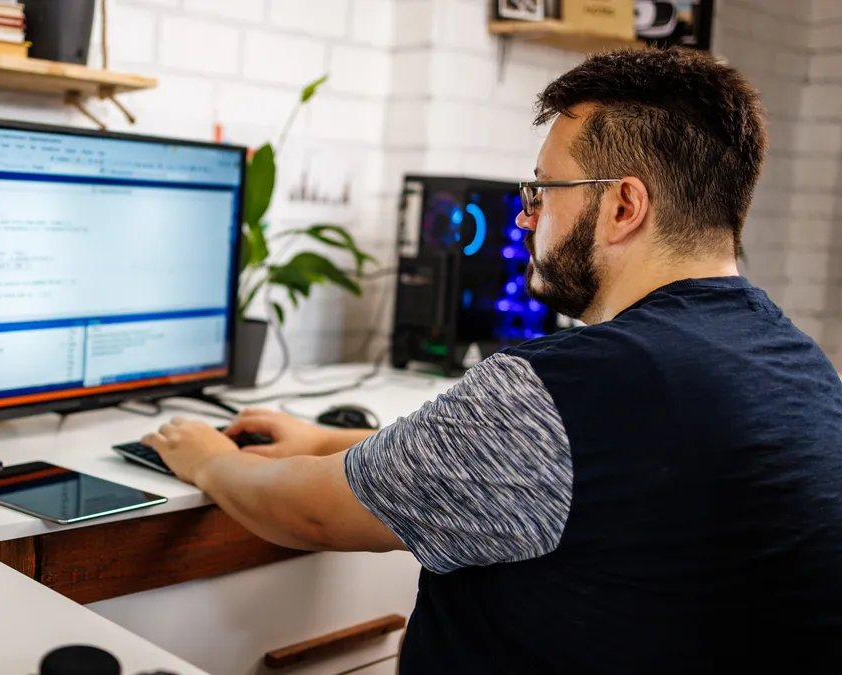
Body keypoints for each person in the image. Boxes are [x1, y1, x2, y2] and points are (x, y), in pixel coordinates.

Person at [141, 47, 842, 673]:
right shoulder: (803, 370)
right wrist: (330, 438)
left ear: (625, 204)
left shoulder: (571, 383)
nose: (526, 217)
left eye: (544, 190)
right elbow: (588, 480)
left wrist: (205, 456)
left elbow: (311, 516)